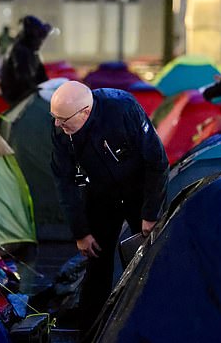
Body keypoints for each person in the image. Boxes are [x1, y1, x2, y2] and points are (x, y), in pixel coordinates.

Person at [50, 81, 169, 333]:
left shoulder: (123, 108)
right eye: (54, 118)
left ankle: (152, 326)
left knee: (148, 260)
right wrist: (81, 231)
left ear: (84, 111)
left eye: (62, 119)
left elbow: (157, 162)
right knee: (96, 263)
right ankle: (90, 332)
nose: (57, 125)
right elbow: (64, 182)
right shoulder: (62, 130)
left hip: (138, 188)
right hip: (101, 193)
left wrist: (151, 213)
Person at [0, 15, 51, 105]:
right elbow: (24, 81)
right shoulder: (21, 51)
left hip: (22, 98)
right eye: (39, 38)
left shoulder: (29, 50)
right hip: (19, 101)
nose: (41, 42)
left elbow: (40, 75)